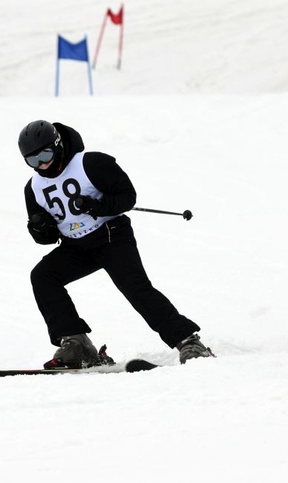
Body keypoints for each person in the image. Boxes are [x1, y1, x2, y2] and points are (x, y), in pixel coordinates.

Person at [18, 120, 214, 369]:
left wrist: (97, 206)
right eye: (32, 160)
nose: (42, 164)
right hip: (76, 246)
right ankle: (77, 345)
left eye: (45, 154)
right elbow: (45, 239)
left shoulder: (90, 163)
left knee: (136, 288)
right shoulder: (33, 188)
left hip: (111, 236)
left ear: (57, 146)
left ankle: (188, 341)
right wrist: (39, 227)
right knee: (43, 276)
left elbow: (127, 197)